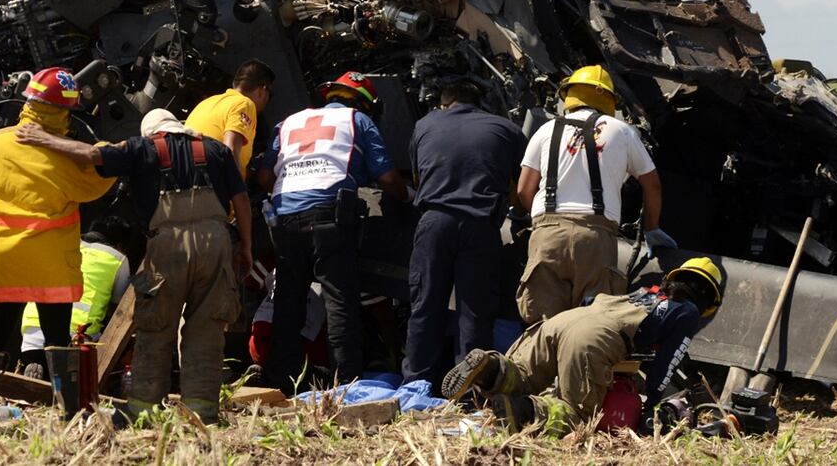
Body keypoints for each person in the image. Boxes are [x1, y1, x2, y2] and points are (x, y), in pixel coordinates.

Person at [15, 108, 251, 424]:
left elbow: (90, 155)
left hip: (167, 244)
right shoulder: (217, 150)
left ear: (151, 131)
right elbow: (243, 200)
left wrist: (43, 138)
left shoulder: (142, 148)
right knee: (207, 328)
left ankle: (143, 410)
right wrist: (246, 246)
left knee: (156, 327)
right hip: (216, 242)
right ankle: (202, 412)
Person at [0, 67, 116, 421]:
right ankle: (67, 414)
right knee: (56, 335)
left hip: (3, 258)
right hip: (51, 261)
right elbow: (102, 173)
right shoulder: (65, 155)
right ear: (64, 111)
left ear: (29, 101)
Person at [442, 257, 724, 436]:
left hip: (566, 320)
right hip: (594, 338)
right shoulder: (687, 312)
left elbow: (590, 305)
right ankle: (521, 412)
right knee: (577, 414)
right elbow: (667, 363)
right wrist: (652, 402)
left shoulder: (646, 293)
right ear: (707, 298)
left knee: (525, 376)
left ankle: (490, 369)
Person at [256, 71, 408, 391]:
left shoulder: (288, 123)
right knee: (341, 301)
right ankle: (346, 385)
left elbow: (265, 177)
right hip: (331, 219)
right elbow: (388, 180)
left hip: (285, 221)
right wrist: (408, 198)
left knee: (288, 303)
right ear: (366, 105)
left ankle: (283, 382)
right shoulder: (358, 121)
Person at [514, 65, 675, 323]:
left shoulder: (546, 130)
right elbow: (652, 185)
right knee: (587, 326)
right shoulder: (622, 131)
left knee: (541, 324)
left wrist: (538, 221)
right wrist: (651, 228)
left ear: (570, 95)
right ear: (609, 99)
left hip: (548, 235)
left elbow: (524, 189)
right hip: (595, 239)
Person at [402, 80, 526, 391]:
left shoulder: (425, 124)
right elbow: (521, 185)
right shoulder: (505, 128)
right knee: (475, 312)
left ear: (446, 102)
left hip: (434, 223)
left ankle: (416, 384)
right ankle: (470, 392)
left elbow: (419, 177)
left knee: (425, 305)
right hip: (481, 226)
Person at [19, 215, 133, 377]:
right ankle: (67, 380)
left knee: (45, 358)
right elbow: (117, 310)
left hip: (31, 329)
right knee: (96, 344)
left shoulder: (66, 244)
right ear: (120, 244)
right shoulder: (119, 259)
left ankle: (36, 362)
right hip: (76, 337)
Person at [185, 59, 275, 178]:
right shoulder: (245, 104)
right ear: (261, 91)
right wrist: (238, 193)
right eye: (270, 95)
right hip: (211, 183)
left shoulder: (206, 103)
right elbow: (230, 150)